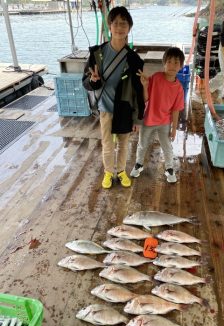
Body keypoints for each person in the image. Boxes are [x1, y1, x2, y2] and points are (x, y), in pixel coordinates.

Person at [82, 6, 144, 189]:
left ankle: (122, 171)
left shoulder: (134, 59)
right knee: (108, 144)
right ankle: (109, 172)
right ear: (109, 26)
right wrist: (93, 81)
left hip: (125, 109)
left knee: (124, 144)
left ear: (129, 28)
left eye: (124, 23)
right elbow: (85, 82)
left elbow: (138, 91)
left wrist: (137, 118)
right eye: (116, 23)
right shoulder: (96, 54)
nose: (119, 27)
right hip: (105, 108)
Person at [130, 47, 185, 183]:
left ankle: (169, 168)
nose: (172, 66)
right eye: (169, 62)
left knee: (167, 146)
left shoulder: (179, 88)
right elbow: (145, 99)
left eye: (176, 63)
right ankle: (138, 164)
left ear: (181, 66)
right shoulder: (156, 77)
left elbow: (176, 110)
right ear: (164, 63)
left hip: (165, 122)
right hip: (148, 120)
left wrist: (173, 129)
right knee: (142, 144)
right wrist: (144, 85)